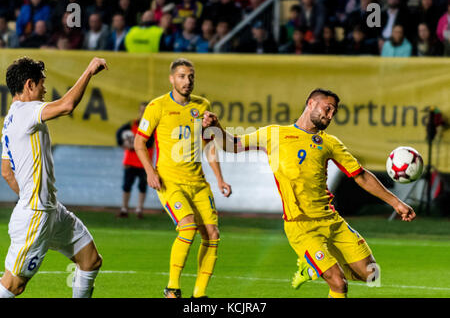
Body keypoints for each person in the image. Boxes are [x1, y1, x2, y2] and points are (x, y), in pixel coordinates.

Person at [202, 88, 416, 298]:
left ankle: (311, 267)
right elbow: (232, 145)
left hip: (332, 221)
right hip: (301, 225)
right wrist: (216, 127)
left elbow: (360, 175)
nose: (330, 115)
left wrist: (396, 203)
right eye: (328, 108)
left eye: (334, 112)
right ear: (311, 103)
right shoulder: (274, 134)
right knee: (338, 283)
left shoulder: (330, 143)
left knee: (372, 275)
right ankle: (318, 263)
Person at [0, 56, 107, 298]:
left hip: (51, 211)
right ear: (29, 85)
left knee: (90, 260)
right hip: (37, 213)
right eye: (42, 83)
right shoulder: (28, 111)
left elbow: (6, 171)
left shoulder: (10, 119)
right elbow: (68, 105)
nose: (45, 89)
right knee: (14, 285)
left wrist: (34, 197)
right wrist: (89, 70)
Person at [134, 58, 232, 298]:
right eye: (182, 76)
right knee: (187, 227)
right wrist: (150, 171)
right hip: (170, 181)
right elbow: (139, 142)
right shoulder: (157, 106)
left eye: (190, 77)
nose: (187, 81)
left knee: (212, 234)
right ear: (171, 79)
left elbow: (209, 146)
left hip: (198, 183)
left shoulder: (203, 106)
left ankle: (199, 295)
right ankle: (172, 288)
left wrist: (220, 179)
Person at [116, 102, 154, 219]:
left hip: (144, 162)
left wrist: (133, 145)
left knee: (142, 186)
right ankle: (124, 208)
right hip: (130, 161)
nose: (143, 113)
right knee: (127, 185)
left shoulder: (152, 126)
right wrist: (123, 143)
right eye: (142, 110)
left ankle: (139, 209)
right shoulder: (132, 124)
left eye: (145, 111)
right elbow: (119, 134)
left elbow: (149, 142)